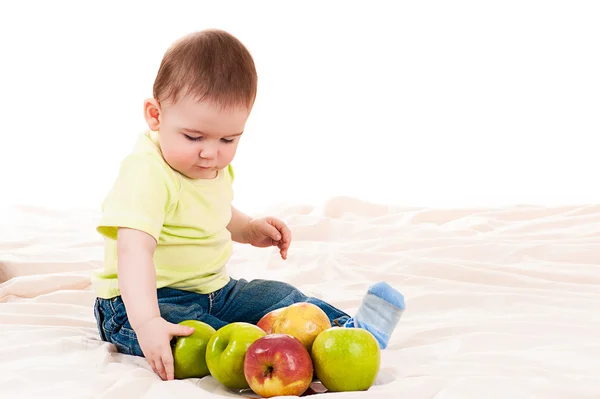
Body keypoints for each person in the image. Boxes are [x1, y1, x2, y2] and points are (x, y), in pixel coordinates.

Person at [91, 29, 405, 381]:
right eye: (193, 137)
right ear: (155, 115)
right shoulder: (146, 172)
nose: (211, 152)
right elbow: (134, 252)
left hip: (214, 289)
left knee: (280, 296)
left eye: (228, 139)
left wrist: (248, 228)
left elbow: (215, 212)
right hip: (143, 303)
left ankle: (348, 335)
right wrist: (147, 322)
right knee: (208, 336)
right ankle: (286, 358)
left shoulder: (209, 166)